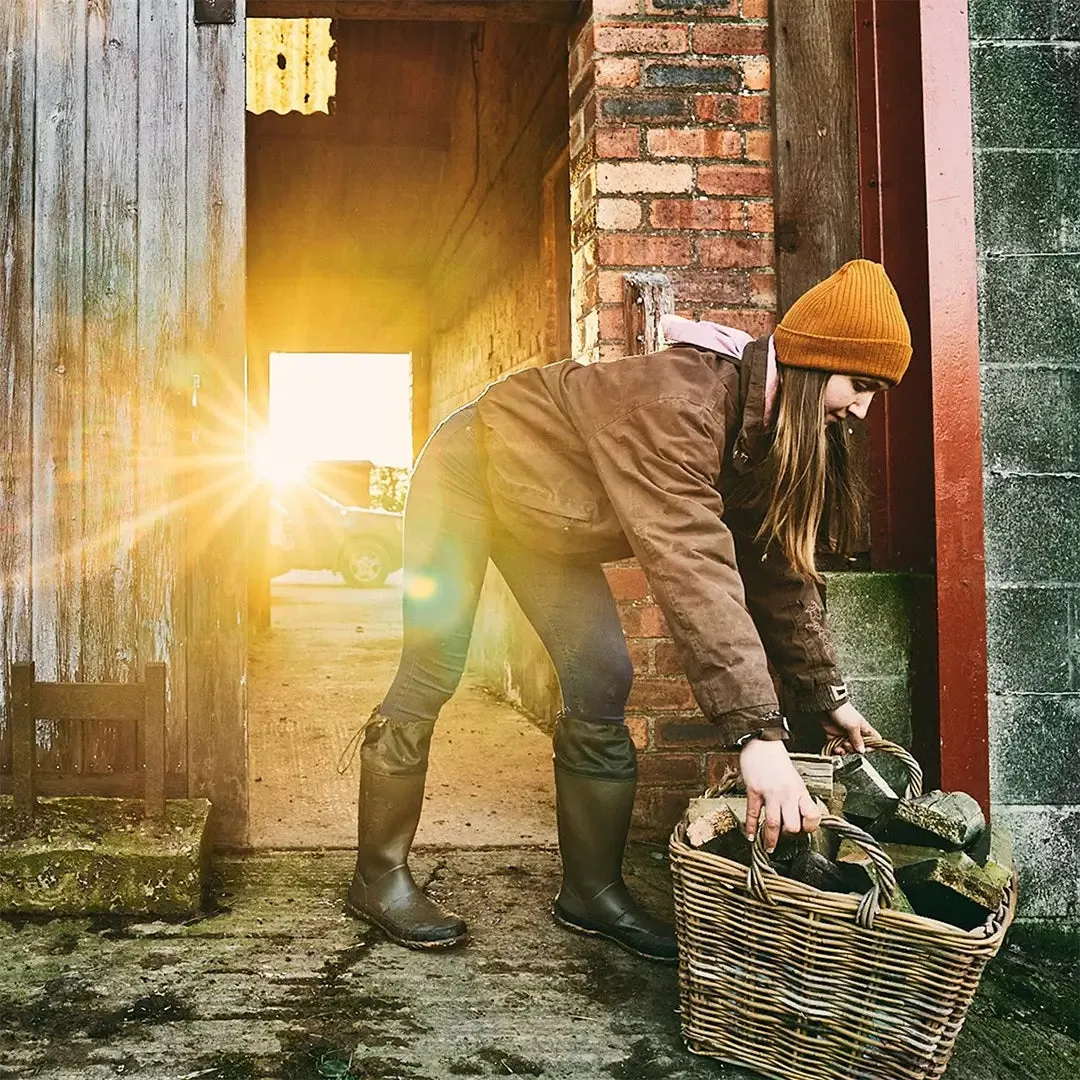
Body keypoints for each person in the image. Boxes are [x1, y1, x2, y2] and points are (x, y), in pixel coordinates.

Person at [344, 259, 911, 963]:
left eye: (875, 395)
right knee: (435, 666)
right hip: (471, 471)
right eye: (859, 386)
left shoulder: (767, 434)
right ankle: (378, 876)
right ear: (811, 366)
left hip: (548, 520)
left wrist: (827, 693)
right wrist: (758, 736)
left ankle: (590, 893)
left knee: (604, 676)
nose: (861, 410)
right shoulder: (683, 405)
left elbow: (773, 570)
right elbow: (694, 568)